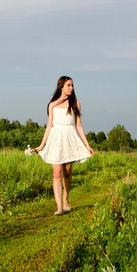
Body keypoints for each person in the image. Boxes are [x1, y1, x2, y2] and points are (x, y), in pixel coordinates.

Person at [34, 76, 94, 215]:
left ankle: (66, 198)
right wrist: (42, 145)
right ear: (61, 87)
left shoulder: (76, 104)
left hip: (69, 138)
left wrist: (87, 145)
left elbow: (79, 126)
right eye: (69, 85)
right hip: (55, 139)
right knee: (57, 173)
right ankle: (59, 207)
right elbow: (49, 126)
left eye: (72, 85)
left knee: (67, 172)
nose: (71, 88)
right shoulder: (52, 105)